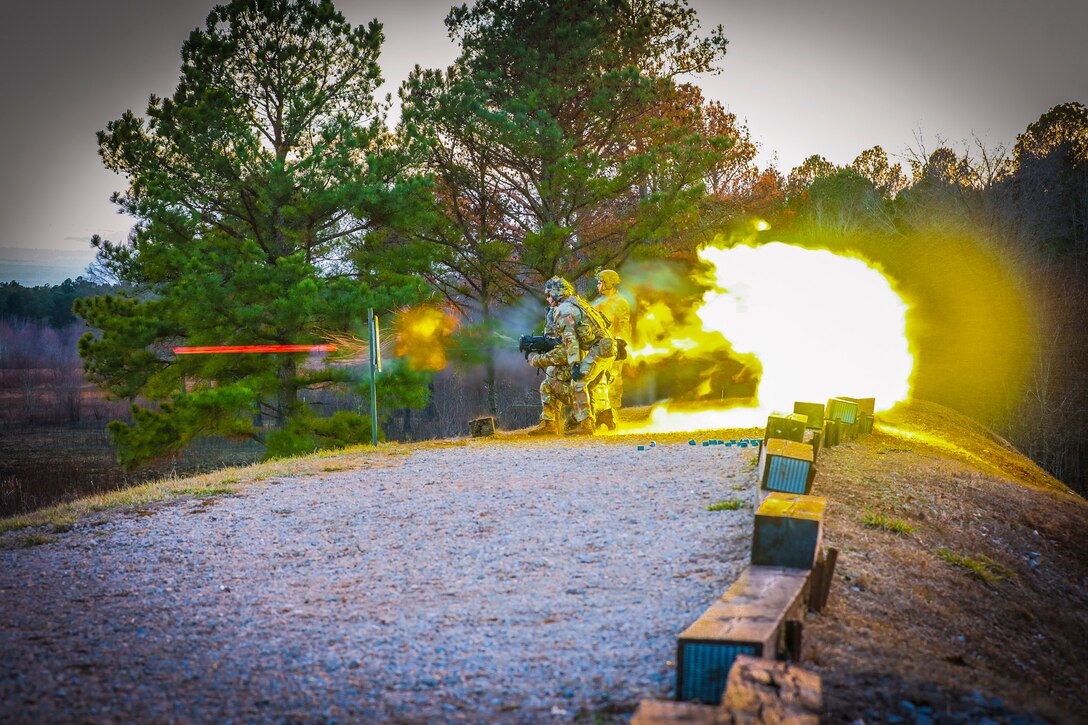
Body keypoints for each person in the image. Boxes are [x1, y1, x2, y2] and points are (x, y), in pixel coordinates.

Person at [526, 276, 616, 436]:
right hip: (604, 348)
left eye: (548, 295)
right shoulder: (576, 303)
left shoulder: (564, 310)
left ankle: (586, 425)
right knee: (580, 380)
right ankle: (597, 416)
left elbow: (570, 343)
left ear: (557, 294)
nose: (547, 299)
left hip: (600, 349)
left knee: (578, 381)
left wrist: (574, 365)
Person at [591, 269, 631, 415]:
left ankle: (614, 414)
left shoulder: (620, 302)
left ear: (609, 283)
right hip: (600, 350)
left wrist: (620, 346)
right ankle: (601, 413)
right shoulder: (600, 303)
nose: (598, 285)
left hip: (613, 349)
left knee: (614, 382)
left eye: (600, 282)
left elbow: (624, 326)